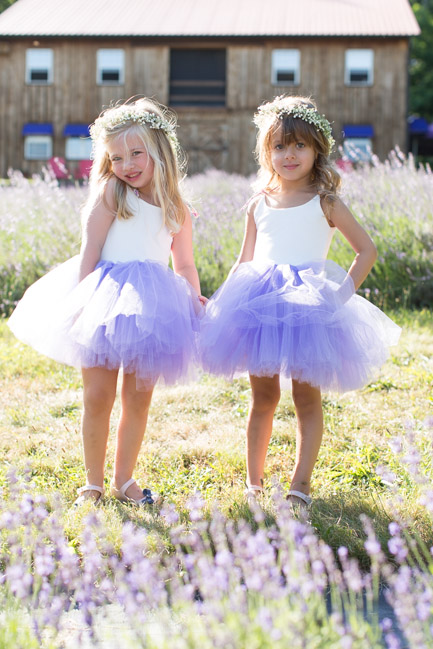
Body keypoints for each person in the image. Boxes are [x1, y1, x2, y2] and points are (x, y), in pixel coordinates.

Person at [200, 95, 400, 507]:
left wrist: (339, 297)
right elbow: (244, 261)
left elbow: (367, 250)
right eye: (279, 146)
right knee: (264, 397)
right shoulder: (258, 204)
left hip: (309, 307)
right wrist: (220, 303)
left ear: (316, 149)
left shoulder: (325, 202)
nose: (288, 155)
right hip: (258, 304)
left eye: (299, 146)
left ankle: (300, 486)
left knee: (306, 397)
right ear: (266, 152)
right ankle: (253, 484)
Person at [8, 97, 204, 506]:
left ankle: (124, 479)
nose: (127, 164)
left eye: (137, 153)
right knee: (98, 396)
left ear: (159, 152)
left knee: (138, 399)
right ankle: (92, 483)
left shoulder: (177, 208)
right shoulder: (113, 193)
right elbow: (90, 250)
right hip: (103, 299)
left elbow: (183, 264)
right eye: (117, 157)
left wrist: (191, 297)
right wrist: (81, 301)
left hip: (153, 309)